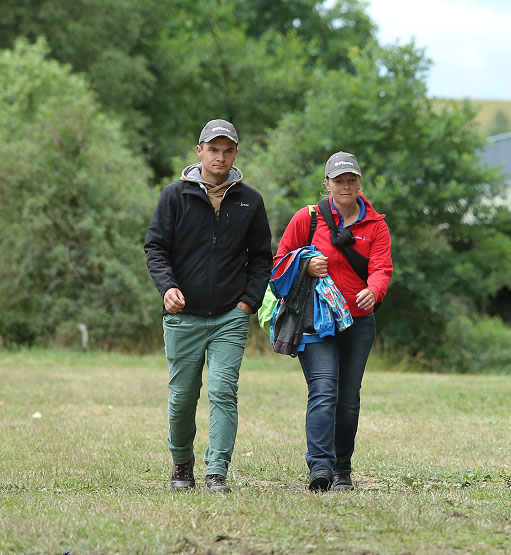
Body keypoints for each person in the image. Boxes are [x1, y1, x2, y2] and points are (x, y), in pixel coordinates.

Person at [144, 119, 272, 493]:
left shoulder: (250, 200)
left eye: (227, 150)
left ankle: (217, 471)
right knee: (183, 396)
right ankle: (182, 463)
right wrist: (167, 287)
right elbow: (155, 248)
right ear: (199, 151)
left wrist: (248, 302)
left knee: (222, 390)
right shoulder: (174, 196)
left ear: (235, 153)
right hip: (183, 316)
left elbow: (262, 258)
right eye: (213, 149)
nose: (220, 156)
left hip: (230, 317)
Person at [274, 151, 392, 493]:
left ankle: (343, 469)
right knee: (324, 391)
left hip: (359, 322)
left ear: (359, 182)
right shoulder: (307, 218)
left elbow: (382, 267)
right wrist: (305, 265)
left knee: (348, 397)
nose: (346, 186)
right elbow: (279, 263)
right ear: (327, 184)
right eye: (338, 180)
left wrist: (374, 289)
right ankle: (320, 469)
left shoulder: (376, 224)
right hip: (316, 321)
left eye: (351, 179)